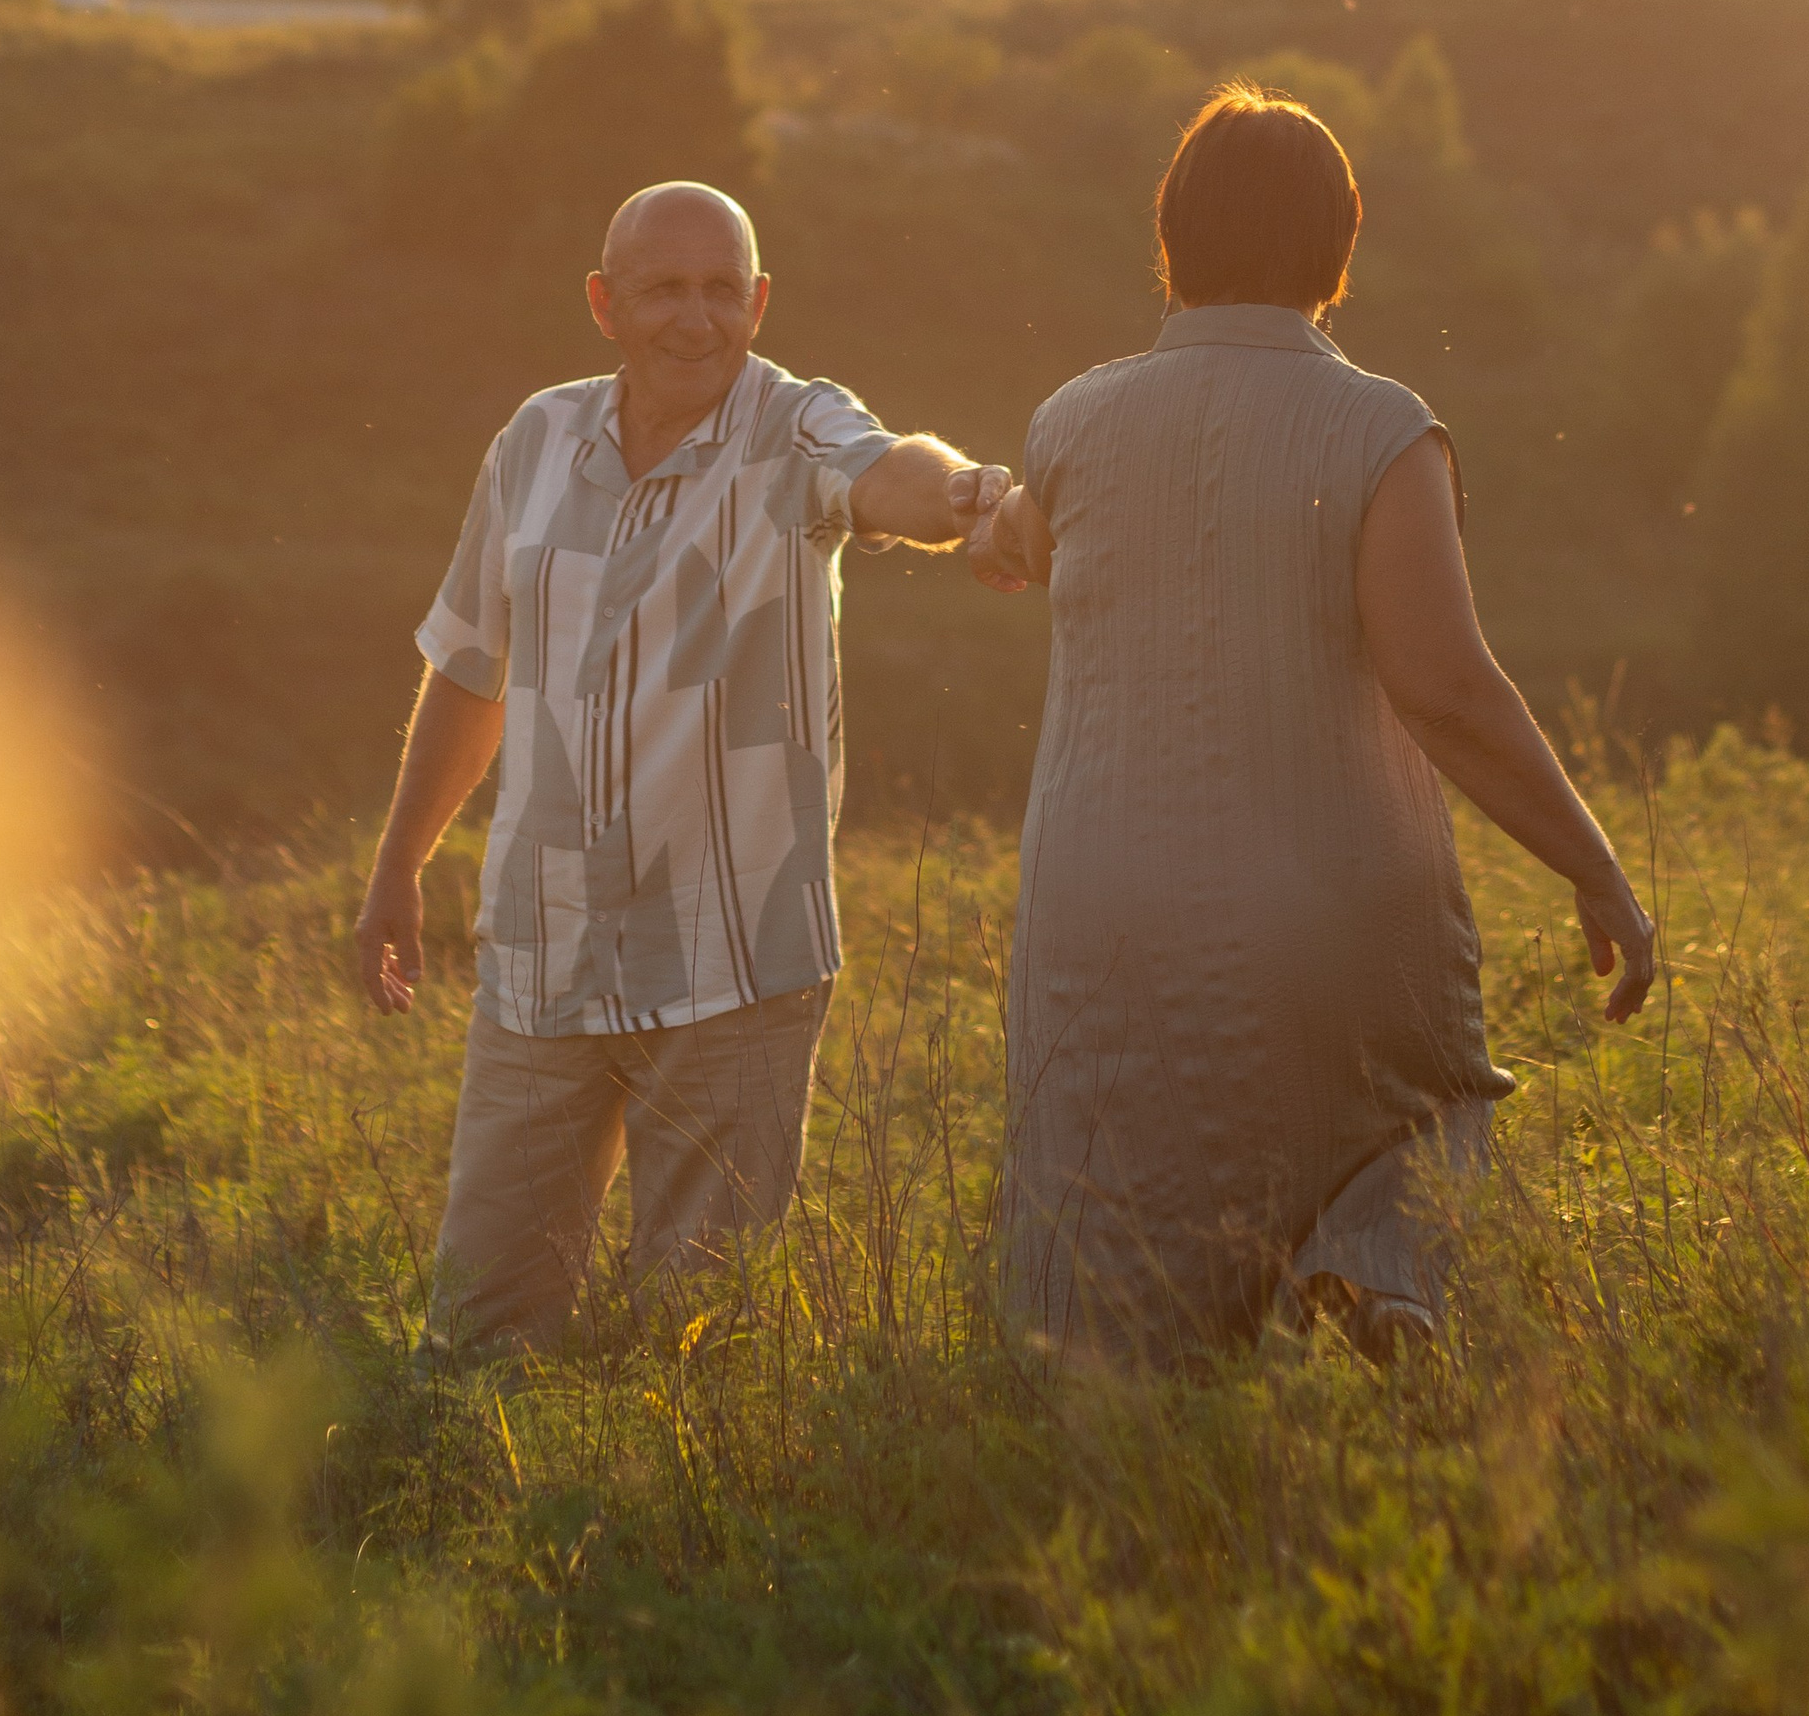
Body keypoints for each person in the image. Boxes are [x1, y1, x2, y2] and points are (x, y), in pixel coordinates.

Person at [965, 82, 1655, 1365]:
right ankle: (1368, 1275)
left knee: (1118, 1201)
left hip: (1101, 902)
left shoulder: (1071, 418)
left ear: (1168, 234)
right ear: (1341, 246)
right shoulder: (1379, 424)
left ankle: (1134, 1410)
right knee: (1417, 1107)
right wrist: (1594, 866)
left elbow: (1016, 536)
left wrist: (986, 527)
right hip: (1326, 898)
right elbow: (1443, 686)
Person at [355, 178, 1006, 1357]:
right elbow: (468, 663)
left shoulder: (792, 426)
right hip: (542, 950)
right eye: (664, 289)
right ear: (605, 302)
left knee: (700, 1344)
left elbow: (886, 469)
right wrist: (401, 859)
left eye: (721, 289)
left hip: (735, 963)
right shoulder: (535, 439)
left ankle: (670, 1535)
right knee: (478, 1331)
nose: (694, 318)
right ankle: (493, 1524)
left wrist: (971, 496)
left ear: (759, 301)